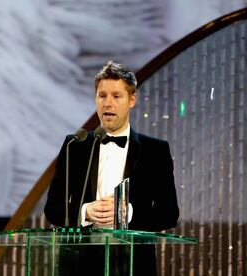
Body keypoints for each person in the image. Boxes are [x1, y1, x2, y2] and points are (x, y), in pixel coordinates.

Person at [44, 61, 179, 276]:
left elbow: (169, 214)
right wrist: (85, 211)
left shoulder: (155, 151)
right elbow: (52, 208)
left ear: (131, 100)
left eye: (116, 96)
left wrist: (129, 213)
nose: (108, 103)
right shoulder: (75, 146)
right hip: (81, 263)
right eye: (102, 95)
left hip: (132, 262)